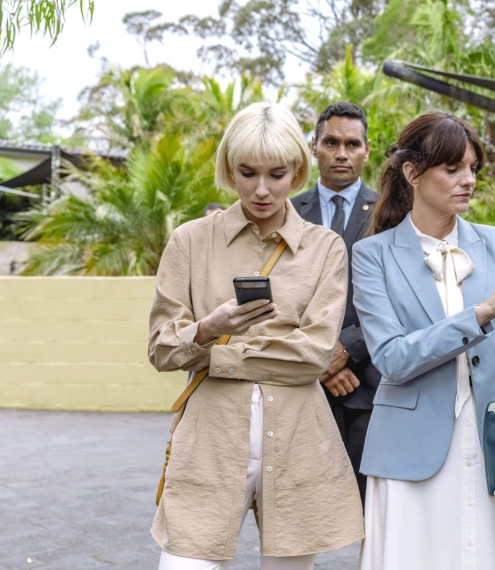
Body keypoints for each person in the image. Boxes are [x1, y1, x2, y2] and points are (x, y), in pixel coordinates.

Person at [351, 112, 495, 570]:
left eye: (473, 168)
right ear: (412, 173)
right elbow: (392, 359)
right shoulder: (372, 254)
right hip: (410, 449)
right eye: (452, 168)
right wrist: (480, 314)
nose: (469, 180)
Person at [148, 102, 364, 570]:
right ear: (230, 169)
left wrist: (212, 354)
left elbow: (313, 356)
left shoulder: (325, 248)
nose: (262, 189)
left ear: (298, 171)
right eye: (248, 173)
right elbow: (162, 349)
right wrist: (211, 327)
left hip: (299, 442)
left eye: (277, 174)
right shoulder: (189, 241)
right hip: (208, 439)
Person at [291, 102, 378, 504]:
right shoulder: (287, 212)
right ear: (314, 146)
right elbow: (280, 294)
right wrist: (321, 362)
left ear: (366, 149)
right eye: (331, 143)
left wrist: (346, 349)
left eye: (352, 144)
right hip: (301, 386)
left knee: (367, 510)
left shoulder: (392, 213)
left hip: (366, 385)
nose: (342, 153)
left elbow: (399, 295)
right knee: (301, 508)